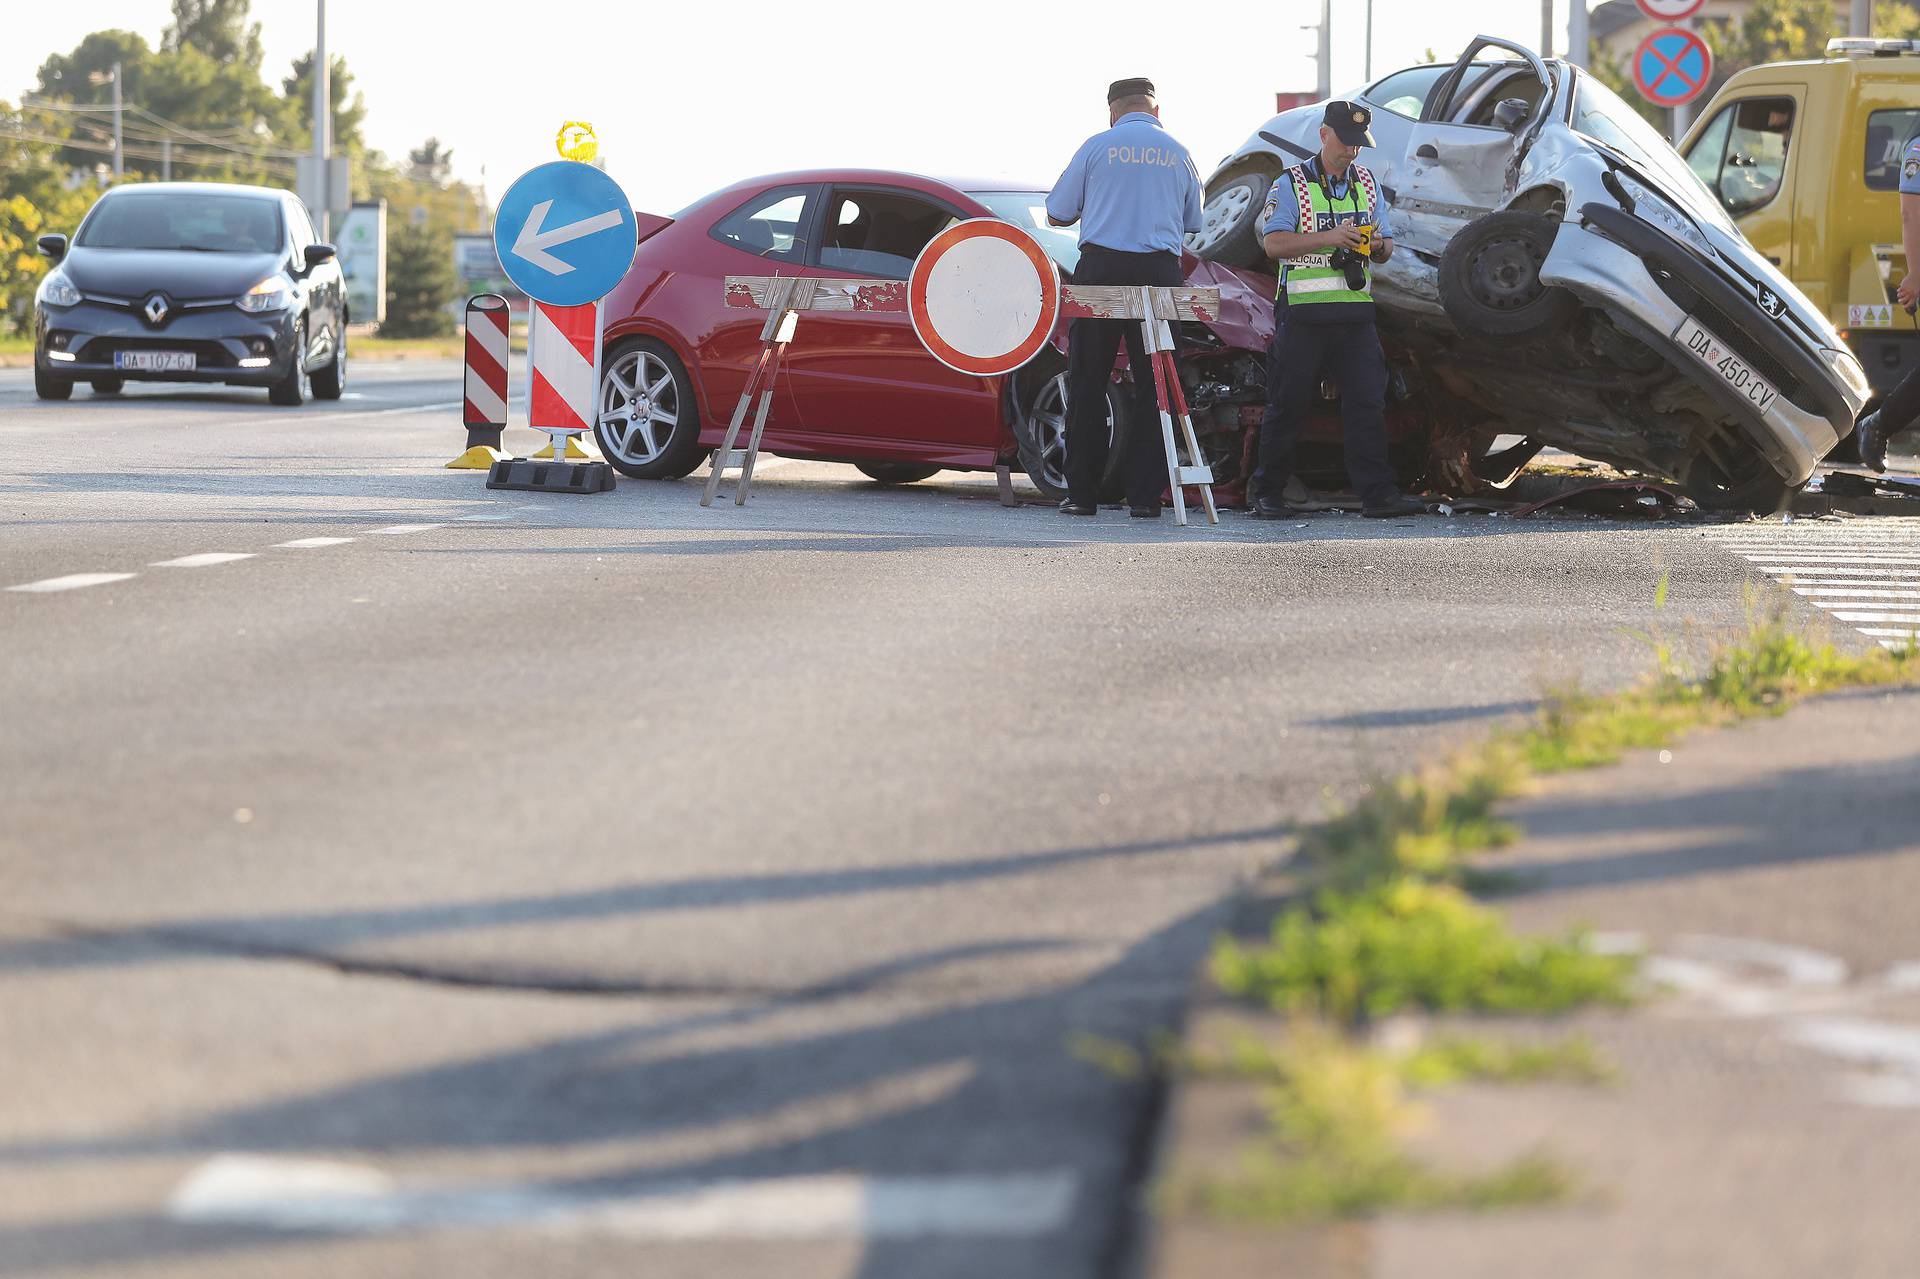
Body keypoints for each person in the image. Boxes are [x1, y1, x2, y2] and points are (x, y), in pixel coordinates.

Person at [1249, 101, 1424, 519]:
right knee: (1287, 404)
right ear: (1324, 134)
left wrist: (1376, 245)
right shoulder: (1291, 183)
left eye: (1359, 144)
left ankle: (1378, 495)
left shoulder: (1366, 182)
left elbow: (1386, 249)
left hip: (1354, 314)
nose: (1352, 152)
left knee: (1367, 403)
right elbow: (1273, 244)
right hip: (1304, 314)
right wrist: (1332, 238)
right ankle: (1268, 493)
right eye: (1346, 142)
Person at [1045, 77, 1204, 518]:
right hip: (1158, 273)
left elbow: (1058, 211)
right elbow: (1194, 220)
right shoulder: (1178, 152)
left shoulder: (1097, 146)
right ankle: (1145, 498)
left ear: (1112, 112)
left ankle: (1081, 494)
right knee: (1155, 386)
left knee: (1088, 382)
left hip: (1101, 270)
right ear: (1157, 111)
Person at [1852, 133, 1920, 471]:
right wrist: (1916, 273)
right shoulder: (1918, 150)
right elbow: (1910, 215)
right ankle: (1879, 424)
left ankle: (1880, 423)